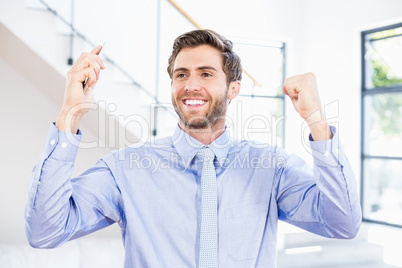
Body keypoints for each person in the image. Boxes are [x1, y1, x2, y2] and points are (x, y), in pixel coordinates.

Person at [25, 29, 361, 267]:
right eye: (181, 74)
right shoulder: (125, 169)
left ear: (233, 89)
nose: (191, 85)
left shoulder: (271, 168)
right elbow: (45, 231)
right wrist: (70, 114)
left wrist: (317, 121)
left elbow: (342, 223)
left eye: (206, 73)